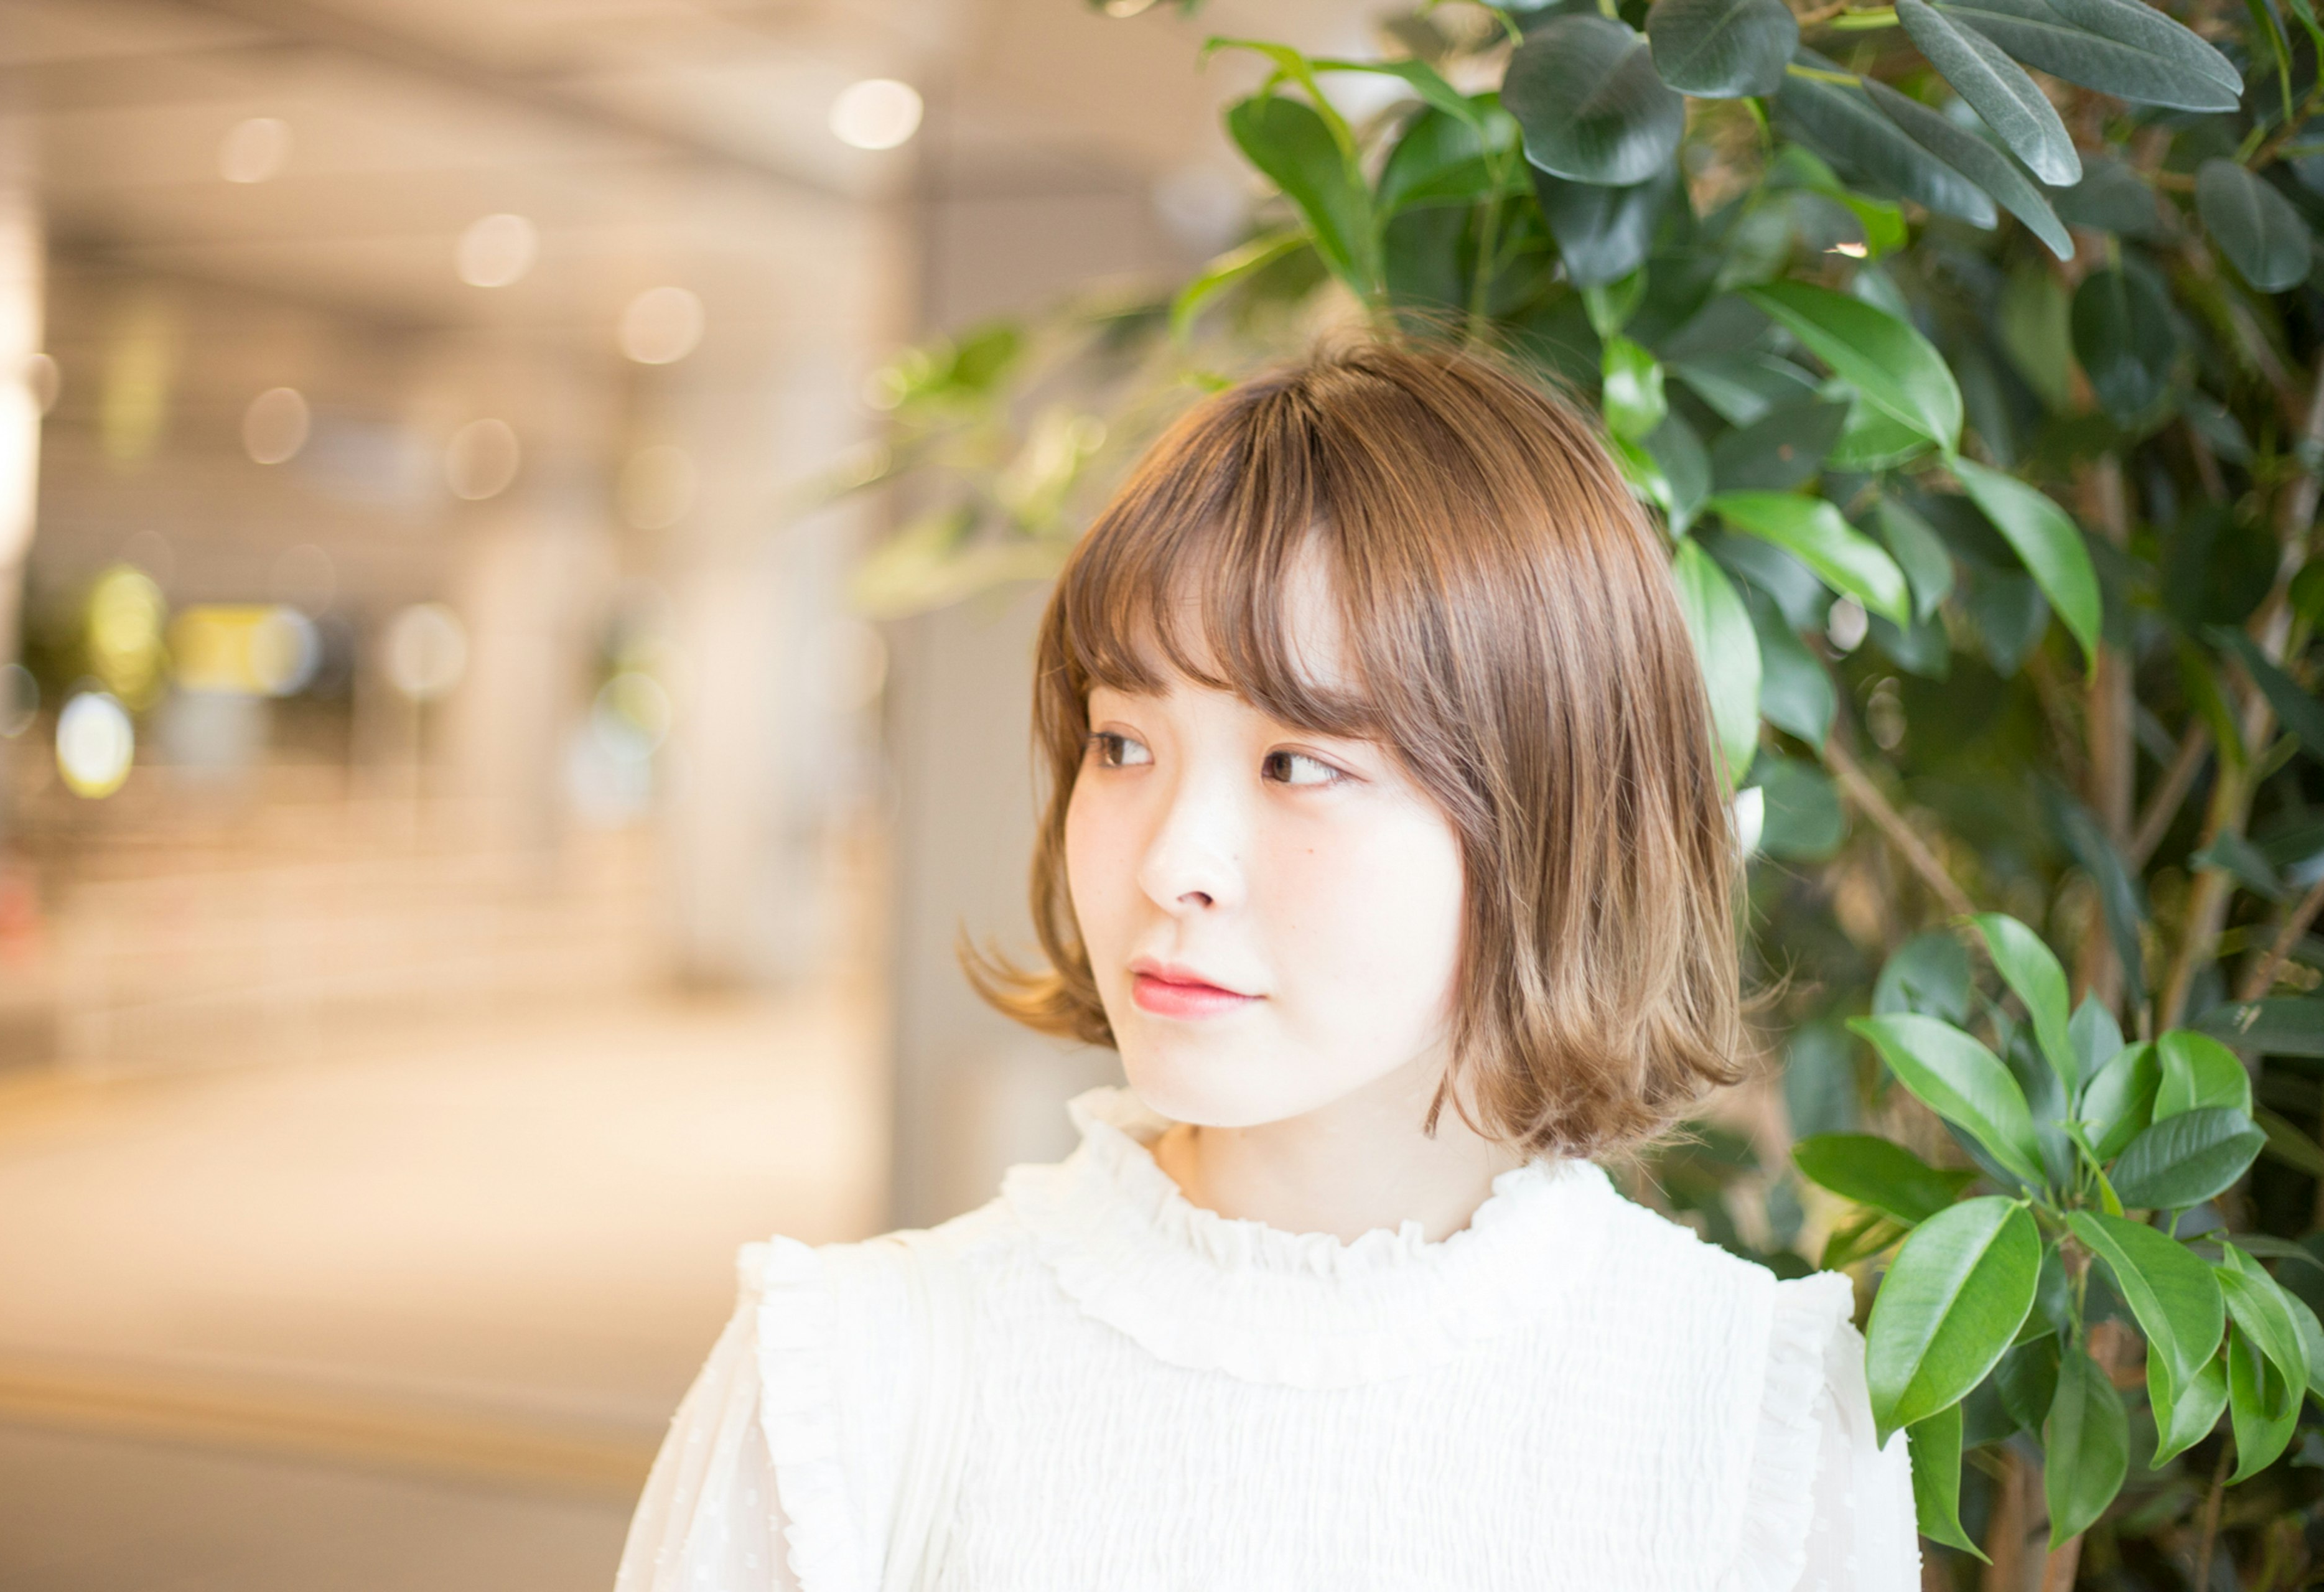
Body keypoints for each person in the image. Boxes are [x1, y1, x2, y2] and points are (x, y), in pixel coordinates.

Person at [615, 335, 1920, 1592]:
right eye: (1123, 743)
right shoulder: (848, 1381)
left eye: (1299, 763)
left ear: (1549, 813)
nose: (1172, 858)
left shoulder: (1757, 1422)